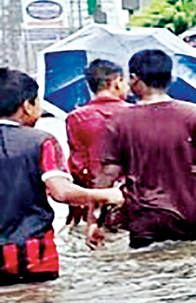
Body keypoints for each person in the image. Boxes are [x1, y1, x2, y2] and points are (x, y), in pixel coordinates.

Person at [88, 49, 196, 249]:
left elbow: (107, 175)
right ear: (170, 78)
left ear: (134, 80)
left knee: (150, 275)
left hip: (148, 220)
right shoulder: (193, 114)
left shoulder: (118, 123)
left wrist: (94, 221)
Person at [0, 69, 122, 284]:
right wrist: (107, 195)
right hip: (33, 255)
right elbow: (62, 192)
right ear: (28, 106)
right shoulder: (40, 141)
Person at [63, 58, 127, 222]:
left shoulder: (75, 118)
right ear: (117, 82)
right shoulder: (136, 113)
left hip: (94, 197)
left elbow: (77, 166)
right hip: (130, 196)